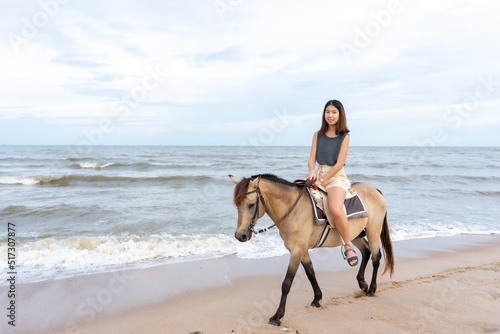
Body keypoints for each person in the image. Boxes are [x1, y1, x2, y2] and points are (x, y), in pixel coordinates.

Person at [307, 99, 358, 267]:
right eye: (327, 112)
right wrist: (312, 173)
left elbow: (339, 164)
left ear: (340, 114)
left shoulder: (344, 137)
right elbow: (312, 158)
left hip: (336, 176)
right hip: (319, 173)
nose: (330, 115)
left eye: (334, 112)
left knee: (335, 208)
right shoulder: (317, 135)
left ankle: (348, 245)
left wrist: (322, 180)